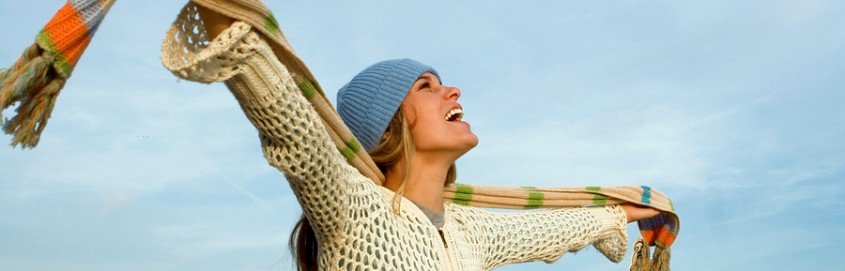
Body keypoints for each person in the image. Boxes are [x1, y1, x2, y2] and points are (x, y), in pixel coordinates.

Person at [177, 8, 659, 271]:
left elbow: (557, 228)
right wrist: (229, 17)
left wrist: (621, 211)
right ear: (387, 126)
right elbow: (287, 115)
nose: (452, 90)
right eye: (425, 87)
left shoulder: (473, 230)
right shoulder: (351, 208)